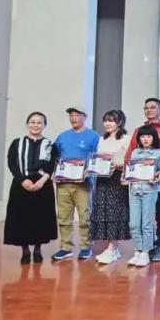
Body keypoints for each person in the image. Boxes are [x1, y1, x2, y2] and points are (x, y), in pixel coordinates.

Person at [125, 97, 160, 262]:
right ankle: (142, 249)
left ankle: (159, 245)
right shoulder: (138, 130)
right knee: (137, 218)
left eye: (153, 107)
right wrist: (127, 173)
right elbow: (131, 154)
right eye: (146, 108)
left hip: (159, 177)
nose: (149, 110)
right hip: (138, 182)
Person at [4, 112, 59, 264]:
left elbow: (52, 165)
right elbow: (12, 163)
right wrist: (22, 180)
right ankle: (25, 251)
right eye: (32, 122)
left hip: (43, 184)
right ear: (27, 124)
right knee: (22, 217)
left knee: (40, 217)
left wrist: (42, 181)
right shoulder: (17, 143)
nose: (36, 125)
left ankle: (38, 249)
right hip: (21, 183)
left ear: (44, 125)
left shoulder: (49, 145)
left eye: (39, 122)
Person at [51, 106, 100, 261]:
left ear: (84, 117)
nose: (73, 118)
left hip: (83, 184)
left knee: (85, 217)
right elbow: (54, 157)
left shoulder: (94, 136)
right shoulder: (62, 136)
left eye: (77, 115)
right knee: (63, 217)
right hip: (63, 184)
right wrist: (54, 173)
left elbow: (98, 159)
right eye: (71, 115)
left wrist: (89, 172)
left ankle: (86, 247)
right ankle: (66, 247)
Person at [90, 110, 132, 265]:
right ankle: (112, 247)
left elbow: (129, 160)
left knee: (115, 212)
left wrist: (117, 165)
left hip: (117, 178)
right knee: (104, 211)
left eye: (111, 120)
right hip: (102, 178)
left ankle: (113, 247)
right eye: (106, 120)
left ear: (119, 122)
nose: (107, 124)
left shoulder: (126, 139)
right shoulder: (102, 139)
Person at [126, 125, 160, 267]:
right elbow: (130, 171)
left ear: (154, 138)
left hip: (150, 191)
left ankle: (146, 251)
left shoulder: (159, 153)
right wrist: (126, 177)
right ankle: (138, 250)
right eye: (143, 136)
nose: (145, 139)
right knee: (134, 223)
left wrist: (158, 178)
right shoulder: (135, 153)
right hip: (134, 190)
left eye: (149, 136)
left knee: (147, 223)